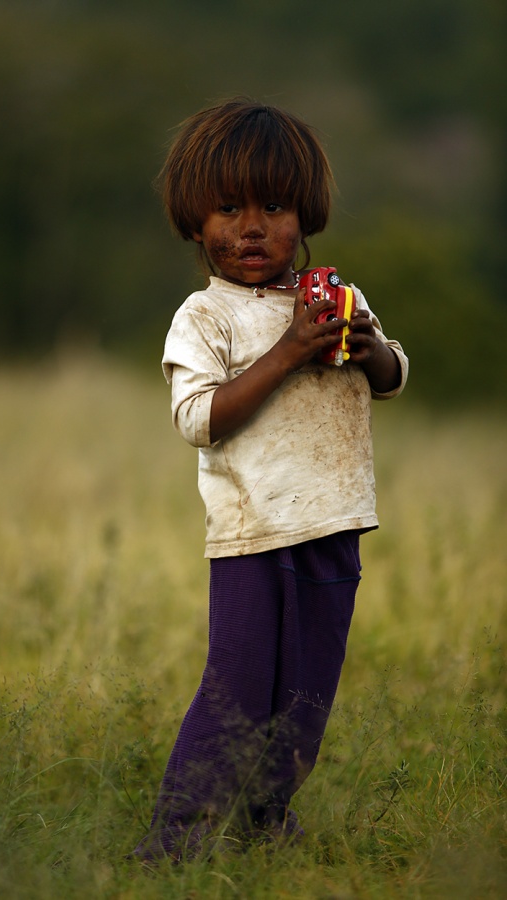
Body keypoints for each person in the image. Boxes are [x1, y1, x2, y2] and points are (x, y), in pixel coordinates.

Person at [131, 97, 408, 863]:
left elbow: (392, 375)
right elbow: (199, 417)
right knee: (238, 693)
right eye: (228, 209)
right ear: (195, 222)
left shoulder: (330, 299)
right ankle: (174, 843)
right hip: (253, 536)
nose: (252, 227)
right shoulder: (206, 317)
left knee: (305, 701)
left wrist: (365, 343)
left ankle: (264, 826)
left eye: (275, 206)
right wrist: (288, 352)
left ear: (306, 213)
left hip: (335, 524)